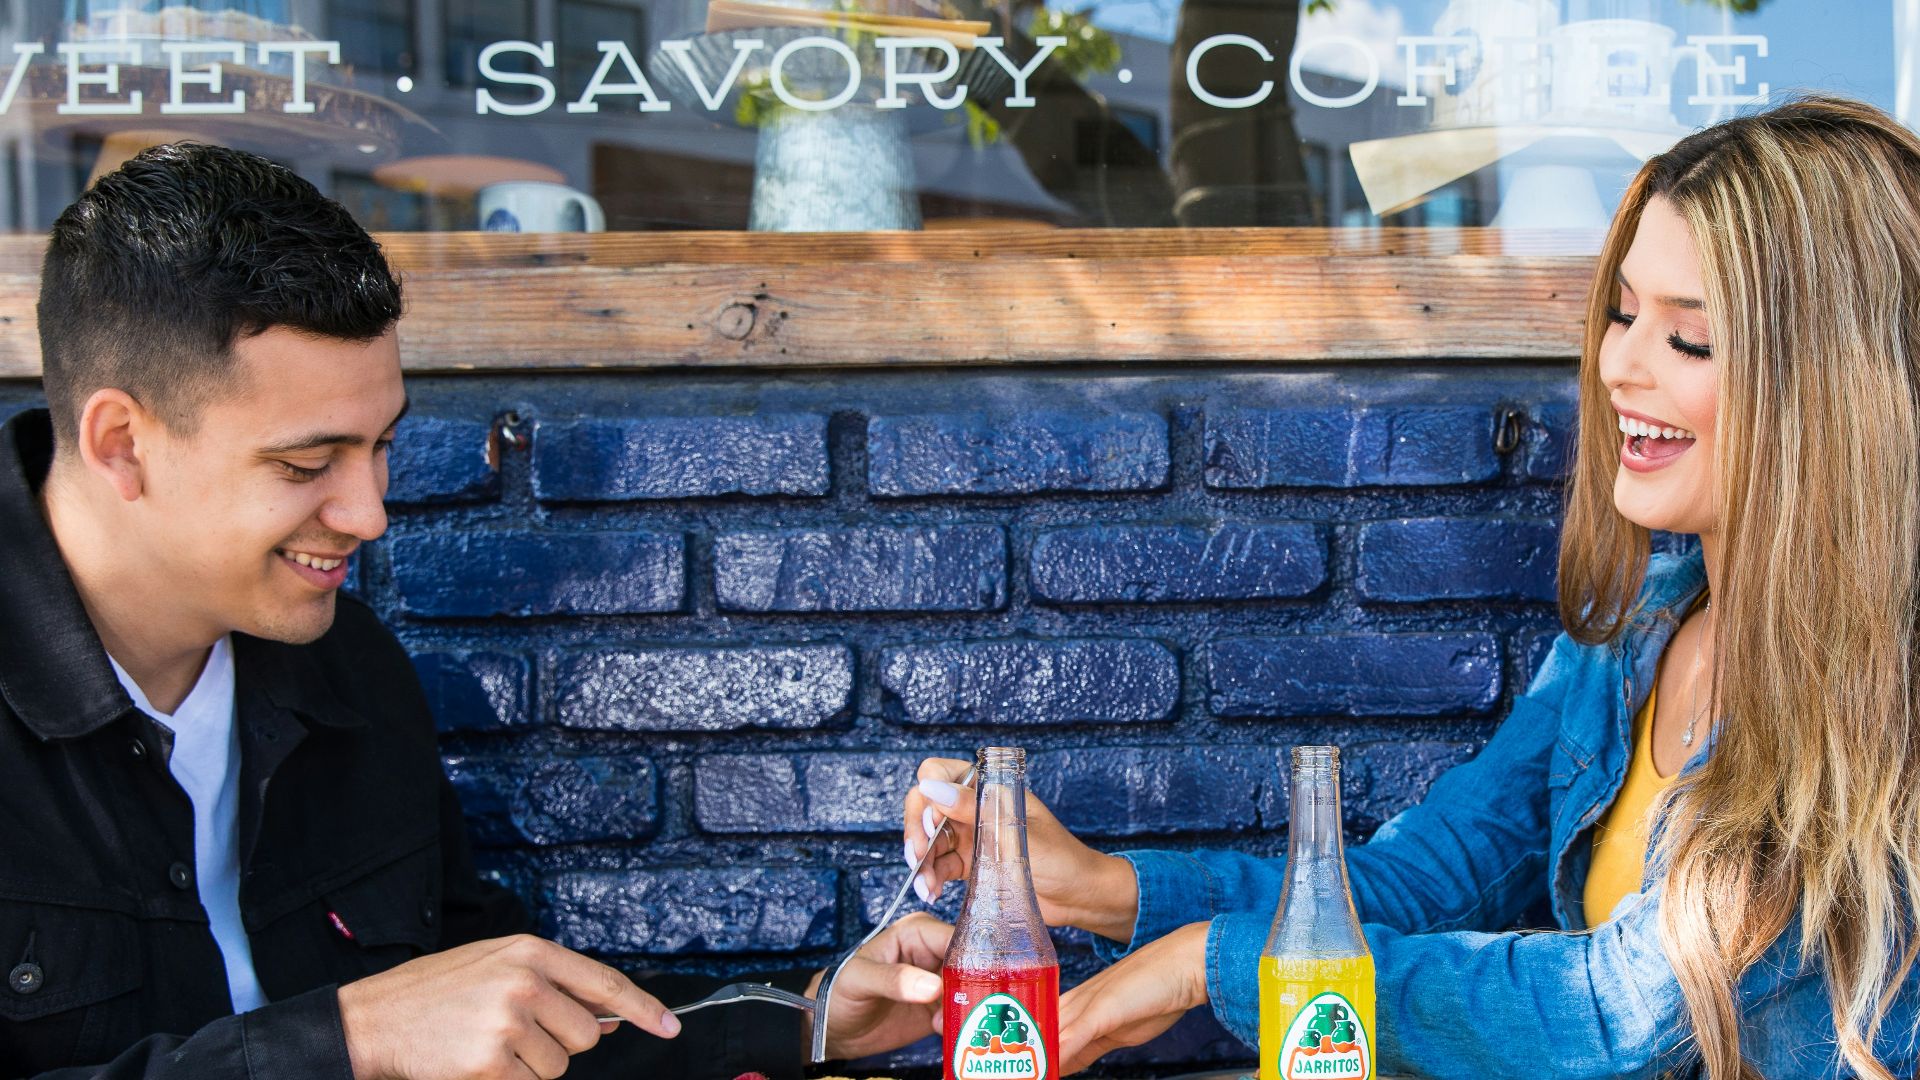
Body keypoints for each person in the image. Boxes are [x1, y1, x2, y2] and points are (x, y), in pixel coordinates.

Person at [904, 94, 1920, 1079]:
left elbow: (1619, 1011)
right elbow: (1416, 882)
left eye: (1686, 336)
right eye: (1619, 315)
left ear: (1829, 388)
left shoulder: (1885, 699)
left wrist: (1206, 967)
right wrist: (1101, 889)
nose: (1619, 367)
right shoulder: (1623, 647)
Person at [0, 141, 949, 1080]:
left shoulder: (347, 668)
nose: (367, 513)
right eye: (303, 465)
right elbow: (389, 1027)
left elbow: (506, 1016)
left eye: (379, 447)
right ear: (122, 442)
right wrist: (351, 1039)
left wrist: (805, 1017)